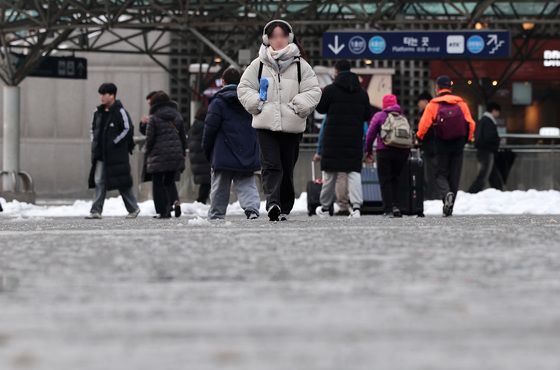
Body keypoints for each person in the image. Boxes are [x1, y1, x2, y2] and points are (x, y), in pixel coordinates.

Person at [238, 19, 321, 221]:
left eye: (282, 35)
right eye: (274, 36)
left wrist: (297, 106)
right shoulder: (257, 65)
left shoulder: (301, 65)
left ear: (289, 37)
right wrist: (257, 102)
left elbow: (314, 90)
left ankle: (284, 205)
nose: (279, 40)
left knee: (286, 165)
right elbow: (243, 88)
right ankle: (273, 202)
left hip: (292, 126)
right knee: (271, 164)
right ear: (267, 39)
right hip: (265, 124)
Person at [313, 60, 371, 218]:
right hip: (353, 140)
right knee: (353, 173)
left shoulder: (331, 90)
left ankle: (325, 208)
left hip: (333, 140)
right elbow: (367, 115)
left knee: (330, 174)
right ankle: (357, 208)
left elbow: (320, 108)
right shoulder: (362, 92)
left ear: (336, 72)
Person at [203, 67, 261, 220]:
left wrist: (207, 149)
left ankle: (217, 213)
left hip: (223, 150)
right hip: (246, 148)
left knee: (220, 185)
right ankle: (252, 208)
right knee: (246, 181)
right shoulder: (248, 100)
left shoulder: (218, 102)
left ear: (223, 81)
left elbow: (210, 128)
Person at [416, 75, 476, 217]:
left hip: (441, 143)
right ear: (450, 88)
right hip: (458, 143)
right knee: (454, 175)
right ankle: (450, 206)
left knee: (440, 174)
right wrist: (467, 139)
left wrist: (419, 136)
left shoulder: (433, 105)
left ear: (437, 88)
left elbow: (424, 125)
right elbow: (471, 123)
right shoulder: (461, 103)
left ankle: (445, 194)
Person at [87, 83, 140, 219]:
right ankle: (96, 211)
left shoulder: (120, 111)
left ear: (112, 95)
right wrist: (95, 143)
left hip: (116, 156)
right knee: (99, 181)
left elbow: (128, 129)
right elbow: (93, 129)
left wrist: (115, 142)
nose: (102, 97)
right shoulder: (97, 112)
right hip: (101, 154)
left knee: (122, 182)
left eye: (104, 94)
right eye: (101, 94)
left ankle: (133, 208)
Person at [365, 94, 410, 218]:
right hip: (402, 151)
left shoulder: (379, 116)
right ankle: (397, 206)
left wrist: (368, 151)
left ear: (384, 104)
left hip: (384, 151)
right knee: (397, 179)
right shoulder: (402, 117)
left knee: (385, 181)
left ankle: (388, 209)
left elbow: (370, 135)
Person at [145, 91, 187, 219]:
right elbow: (183, 137)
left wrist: (148, 152)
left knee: (158, 183)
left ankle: (163, 211)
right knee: (169, 181)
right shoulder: (177, 116)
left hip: (159, 155)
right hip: (175, 154)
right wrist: (183, 152)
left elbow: (150, 138)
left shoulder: (153, 118)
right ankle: (175, 201)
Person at [468, 102, 504, 193]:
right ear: (494, 110)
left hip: (483, 150)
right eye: (498, 112)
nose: (498, 114)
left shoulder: (482, 120)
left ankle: (499, 191)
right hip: (487, 151)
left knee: (493, 174)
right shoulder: (488, 121)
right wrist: (497, 140)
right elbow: (489, 137)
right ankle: (471, 193)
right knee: (483, 176)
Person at [415, 91, 438, 200]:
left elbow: (425, 130)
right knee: (432, 174)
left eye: (419, 102)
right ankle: (433, 196)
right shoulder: (436, 111)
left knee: (430, 175)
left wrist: (418, 137)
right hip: (436, 147)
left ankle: (431, 197)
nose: (418, 105)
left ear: (425, 101)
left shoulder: (427, 112)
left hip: (430, 148)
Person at [187, 107, 212, 204]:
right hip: (204, 158)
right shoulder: (203, 126)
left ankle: (202, 200)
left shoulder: (194, 125)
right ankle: (201, 201)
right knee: (207, 181)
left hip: (197, 158)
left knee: (205, 181)